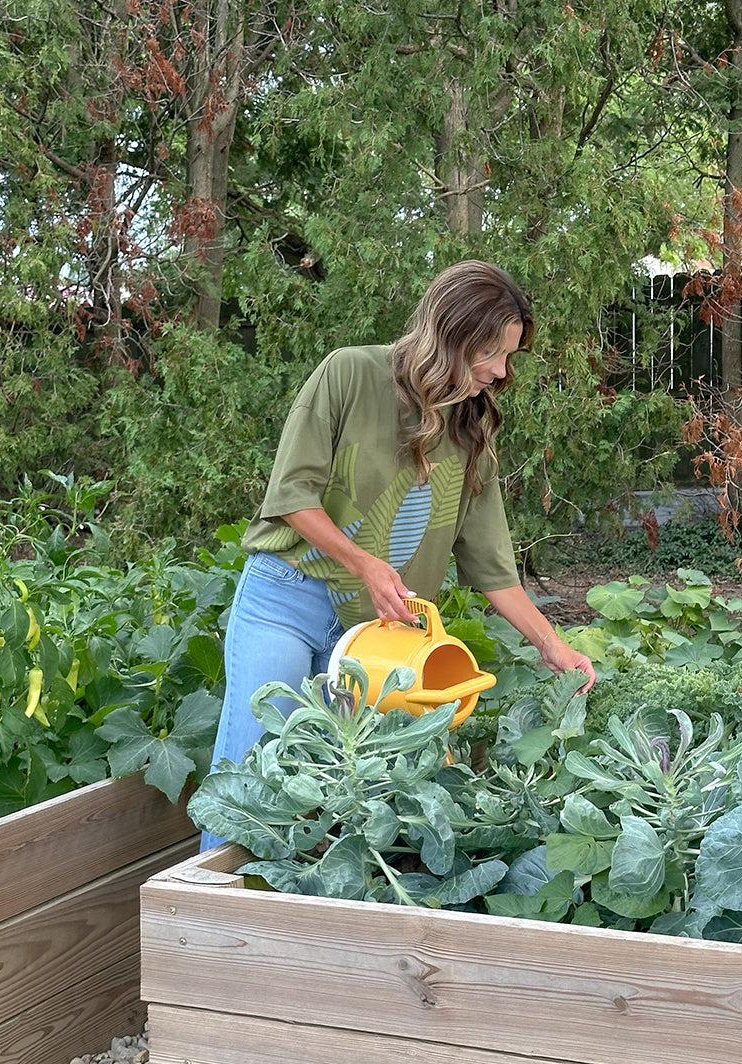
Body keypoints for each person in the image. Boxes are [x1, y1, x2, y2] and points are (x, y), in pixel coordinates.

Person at [205, 261, 595, 830]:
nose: (501, 371)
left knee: (334, 800)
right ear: (455, 335)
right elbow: (292, 495)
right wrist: (364, 564)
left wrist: (552, 646)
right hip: (287, 600)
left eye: (511, 356)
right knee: (251, 780)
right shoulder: (350, 374)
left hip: (376, 641)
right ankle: (193, 915)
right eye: (493, 353)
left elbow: (493, 571)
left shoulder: (471, 432)